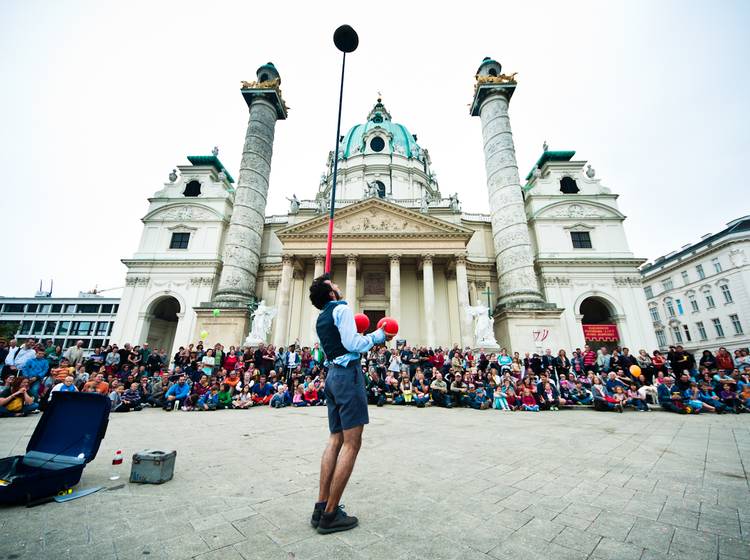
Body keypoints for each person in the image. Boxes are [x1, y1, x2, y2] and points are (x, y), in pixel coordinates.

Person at [308, 273, 389, 535]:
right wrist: (377, 336)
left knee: (334, 440)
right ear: (331, 294)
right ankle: (331, 515)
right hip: (347, 375)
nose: (339, 287)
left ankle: (321, 506)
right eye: (334, 285)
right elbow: (352, 343)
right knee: (352, 443)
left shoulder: (320, 317)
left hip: (331, 376)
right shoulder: (340, 308)